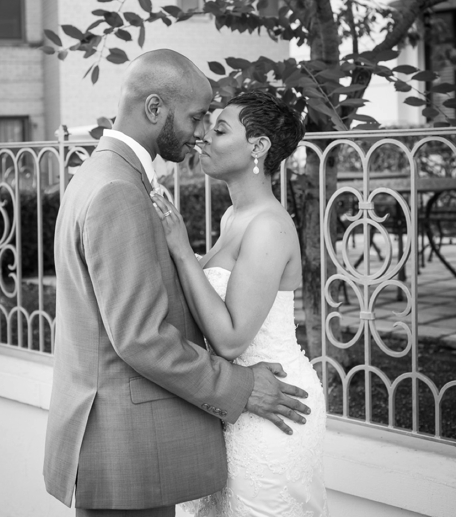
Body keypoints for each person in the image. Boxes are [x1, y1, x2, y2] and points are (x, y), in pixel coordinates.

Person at [43, 49, 311, 517]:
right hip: (125, 443)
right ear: (154, 109)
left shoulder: (101, 175)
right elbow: (141, 337)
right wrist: (241, 387)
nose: (199, 133)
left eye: (215, 124)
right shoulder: (118, 191)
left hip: (152, 434)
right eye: (194, 118)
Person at [151, 90, 327, 516]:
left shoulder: (268, 225)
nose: (203, 137)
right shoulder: (234, 217)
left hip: (276, 406)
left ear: (259, 146)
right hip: (236, 401)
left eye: (220, 128)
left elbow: (230, 339)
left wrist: (180, 249)